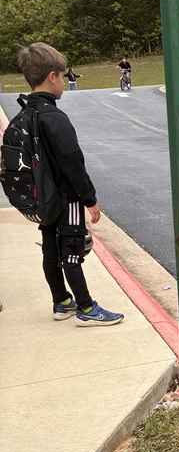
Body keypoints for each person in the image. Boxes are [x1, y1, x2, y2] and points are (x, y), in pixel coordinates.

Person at [17, 42, 124, 326]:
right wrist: (89, 198)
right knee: (73, 250)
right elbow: (72, 162)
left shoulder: (24, 114)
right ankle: (86, 309)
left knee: (50, 250)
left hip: (43, 198)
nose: (63, 82)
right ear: (52, 76)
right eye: (62, 76)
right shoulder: (54, 117)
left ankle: (62, 302)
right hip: (67, 198)